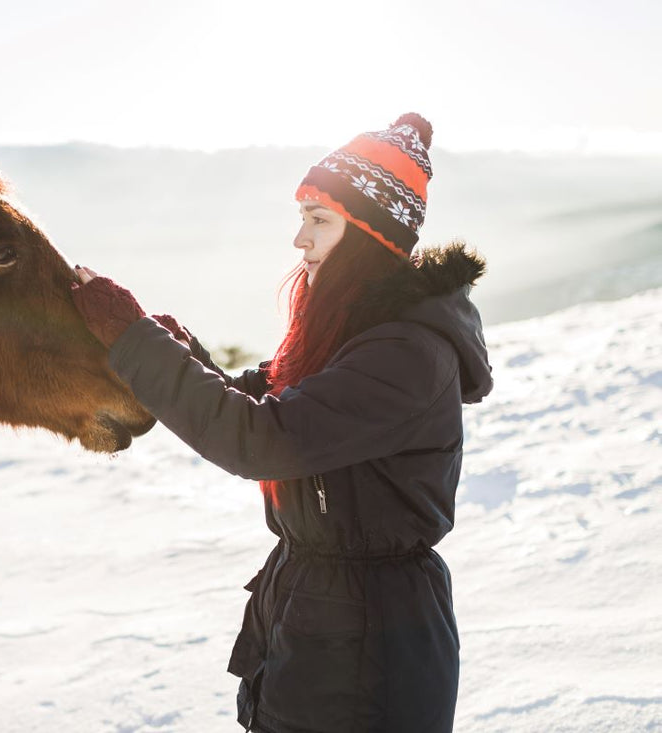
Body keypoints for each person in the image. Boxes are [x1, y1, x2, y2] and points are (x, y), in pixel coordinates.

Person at [70, 114, 493, 733]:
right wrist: (174, 347)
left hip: (372, 638)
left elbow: (262, 439)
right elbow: (265, 401)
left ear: (371, 236)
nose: (300, 239)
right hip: (319, 612)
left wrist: (137, 342)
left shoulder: (404, 353)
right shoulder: (352, 331)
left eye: (319, 221)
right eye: (303, 218)